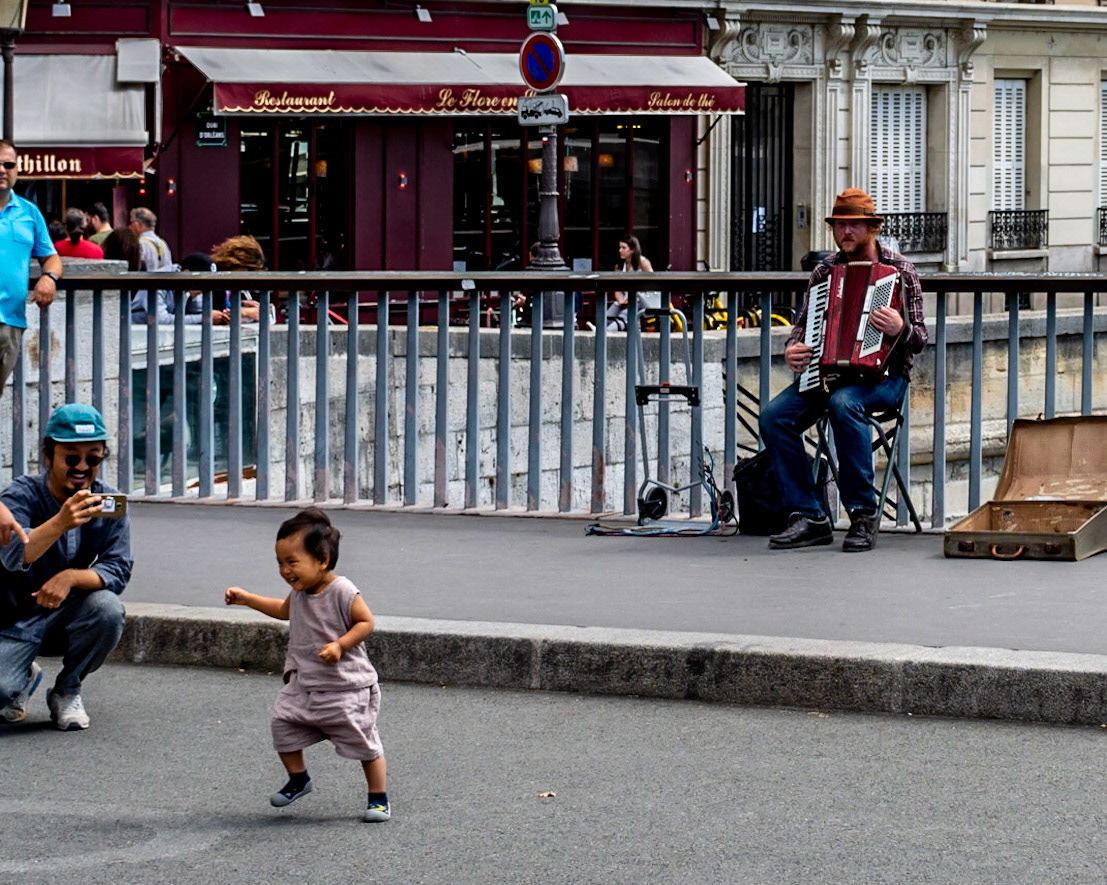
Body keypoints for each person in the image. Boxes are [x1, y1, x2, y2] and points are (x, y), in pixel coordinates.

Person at [760, 188, 927, 553]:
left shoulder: (901, 271)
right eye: (840, 225)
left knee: (844, 402)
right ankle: (809, 515)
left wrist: (900, 329)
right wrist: (793, 349)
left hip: (885, 379)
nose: (846, 232)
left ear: (872, 228)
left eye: (854, 225)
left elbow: (920, 339)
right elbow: (802, 328)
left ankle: (864, 515)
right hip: (827, 376)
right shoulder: (825, 271)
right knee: (774, 416)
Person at [225, 508, 390, 823]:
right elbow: (282, 610)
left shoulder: (342, 590)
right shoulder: (299, 592)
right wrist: (248, 599)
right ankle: (299, 779)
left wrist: (341, 645)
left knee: (364, 742)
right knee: (282, 724)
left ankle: (378, 798)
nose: (285, 570)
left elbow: (366, 622)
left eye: (292, 562)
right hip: (305, 683)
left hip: (346, 686)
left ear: (322, 561)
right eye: (280, 563)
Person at [0, 403, 132, 730]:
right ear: (48, 455)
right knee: (1, 689)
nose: (82, 467)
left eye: (94, 458)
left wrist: (70, 577)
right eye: (71, 457)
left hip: (64, 613)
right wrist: (60, 522)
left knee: (108, 609)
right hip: (13, 617)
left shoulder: (108, 502)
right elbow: (14, 554)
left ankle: (67, 689)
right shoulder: (21, 494)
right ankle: (22, 678)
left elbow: (118, 568)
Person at [0, 140, 62, 392]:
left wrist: (49, 277)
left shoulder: (30, 212)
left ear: (17, 169)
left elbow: (52, 257)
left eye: (9, 164)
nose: (3, 170)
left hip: (10, 322)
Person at [130, 251, 228, 325]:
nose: (204, 290)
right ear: (187, 274)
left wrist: (220, 316)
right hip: (136, 337)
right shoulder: (158, 281)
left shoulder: (189, 285)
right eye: (203, 283)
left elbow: (195, 312)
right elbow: (160, 320)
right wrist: (204, 318)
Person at [210, 234, 266, 322]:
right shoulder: (214, 278)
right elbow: (216, 313)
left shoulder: (227, 281)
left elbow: (225, 305)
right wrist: (244, 312)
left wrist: (242, 303)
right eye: (249, 270)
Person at [606, 235, 654, 331]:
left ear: (632, 250)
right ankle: (599, 331)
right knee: (607, 316)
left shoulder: (643, 263)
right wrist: (620, 301)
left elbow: (652, 283)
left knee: (624, 316)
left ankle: (604, 334)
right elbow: (618, 288)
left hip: (640, 300)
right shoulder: (619, 266)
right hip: (624, 300)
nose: (620, 250)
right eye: (620, 247)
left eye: (624, 248)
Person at [129, 207, 173, 271]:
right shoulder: (163, 243)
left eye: (131, 222)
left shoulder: (139, 244)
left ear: (138, 224)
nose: (130, 226)